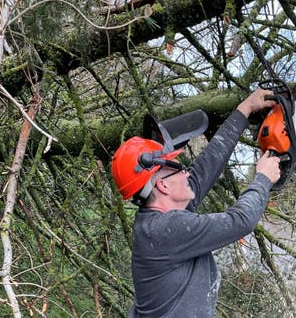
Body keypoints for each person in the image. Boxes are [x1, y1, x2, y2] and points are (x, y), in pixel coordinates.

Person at [110, 89, 281, 317]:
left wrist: (245, 108)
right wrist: (262, 179)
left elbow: (208, 164)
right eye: (177, 168)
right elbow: (240, 221)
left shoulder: (160, 220)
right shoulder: (165, 230)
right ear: (163, 186)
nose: (186, 173)